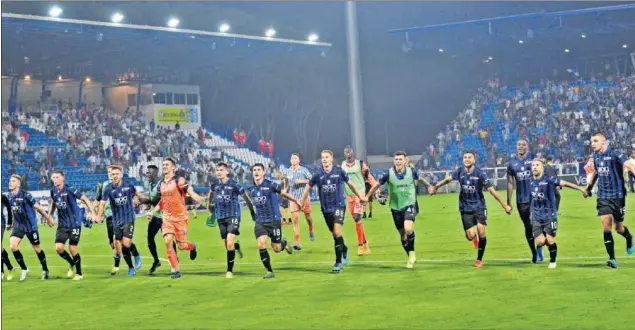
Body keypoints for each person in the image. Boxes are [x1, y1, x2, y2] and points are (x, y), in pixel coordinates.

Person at [432, 151, 512, 267]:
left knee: (481, 231)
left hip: (479, 207)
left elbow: (492, 191)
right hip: (465, 208)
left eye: (469, 157)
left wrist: (505, 206)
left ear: (474, 160)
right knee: (470, 235)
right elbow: (448, 180)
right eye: (465, 157)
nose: (467, 159)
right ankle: (473, 239)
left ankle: (479, 259)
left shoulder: (480, 174)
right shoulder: (459, 171)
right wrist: (435, 187)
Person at [300, 150, 367, 272]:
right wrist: (302, 202)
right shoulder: (317, 174)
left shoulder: (339, 171)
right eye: (322, 157)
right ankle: (344, 249)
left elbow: (351, 185)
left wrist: (361, 197)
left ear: (331, 158)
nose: (324, 159)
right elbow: (307, 188)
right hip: (325, 209)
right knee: (335, 234)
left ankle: (338, 262)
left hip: (339, 206)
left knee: (337, 231)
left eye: (326, 157)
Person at [367, 151, 435, 269]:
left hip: (409, 204)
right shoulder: (388, 173)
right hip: (395, 207)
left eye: (400, 159)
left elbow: (420, 179)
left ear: (405, 161)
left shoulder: (411, 171)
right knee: (403, 235)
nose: (398, 161)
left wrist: (429, 186)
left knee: (408, 228)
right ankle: (410, 256)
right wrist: (367, 197)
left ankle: (412, 253)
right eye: (396, 159)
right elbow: (377, 185)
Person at [146, 158, 206, 279]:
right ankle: (175, 270)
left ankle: (192, 246)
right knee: (168, 240)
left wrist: (195, 196)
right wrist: (152, 212)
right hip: (167, 218)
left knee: (181, 246)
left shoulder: (179, 180)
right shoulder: (162, 184)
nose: (165, 166)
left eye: (167, 164)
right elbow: (163, 201)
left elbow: (188, 189)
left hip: (180, 218)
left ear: (173, 167)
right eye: (163, 165)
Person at [585, 132, 635, 268]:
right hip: (603, 196)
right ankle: (612, 259)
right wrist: (589, 188)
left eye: (595, 141)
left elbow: (629, 165)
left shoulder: (615, 153)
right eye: (591, 141)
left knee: (618, 228)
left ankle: (629, 237)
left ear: (603, 142)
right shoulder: (595, 157)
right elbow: (596, 173)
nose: (592, 144)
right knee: (606, 225)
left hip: (618, 196)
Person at [529, 159, 588, 269]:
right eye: (533, 165)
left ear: (542, 168)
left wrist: (580, 188)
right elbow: (532, 199)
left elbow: (564, 183)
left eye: (537, 165)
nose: (534, 167)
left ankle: (552, 261)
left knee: (550, 240)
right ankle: (551, 247)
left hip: (550, 216)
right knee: (540, 242)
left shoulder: (549, 180)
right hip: (537, 217)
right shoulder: (530, 182)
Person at [98, 165, 149, 276]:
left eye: (116, 174)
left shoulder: (129, 186)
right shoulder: (108, 189)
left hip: (128, 218)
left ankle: (136, 254)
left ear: (121, 175)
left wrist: (143, 201)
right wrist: (98, 216)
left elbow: (138, 195)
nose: (114, 176)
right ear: (110, 176)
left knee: (126, 243)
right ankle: (131, 268)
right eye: (112, 174)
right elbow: (102, 203)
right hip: (116, 220)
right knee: (120, 244)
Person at [248, 163, 297, 279]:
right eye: (254, 170)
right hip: (260, 222)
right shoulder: (251, 189)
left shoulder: (271, 185)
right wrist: (252, 214)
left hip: (274, 221)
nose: (256, 172)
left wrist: (295, 200)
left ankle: (283, 243)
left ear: (263, 172)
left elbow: (283, 191)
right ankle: (269, 271)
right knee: (261, 244)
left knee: (276, 248)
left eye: (259, 169)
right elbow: (251, 203)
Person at [47, 170, 98, 280]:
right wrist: (49, 216)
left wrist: (93, 213)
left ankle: (79, 273)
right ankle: (71, 263)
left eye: (57, 177)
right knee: (59, 248)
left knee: (72, 247)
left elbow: (84, 199)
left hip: (74, 223)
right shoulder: (53, 191)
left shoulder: (70, 189)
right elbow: (53, 202)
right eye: (53, 178)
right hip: (62, 224)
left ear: (63, 178)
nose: (55, 180)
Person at [6, 175, 54, 281]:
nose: (10, 183)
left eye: (13, 181)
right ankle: (24, 269)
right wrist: (10, 223)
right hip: (19, 226)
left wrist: (49, 218)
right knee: (13, 246)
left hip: (30, 226)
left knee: (36, 248)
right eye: (10, 181)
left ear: (18, 184)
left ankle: (45, 270)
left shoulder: (26, 195)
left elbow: (39, 208)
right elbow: (10, 211)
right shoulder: (9, 196)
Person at [207, 162, 250, 278]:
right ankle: (236, 247)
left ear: (227, 172)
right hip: (220, 216)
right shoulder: (214, 185)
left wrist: (251, 210)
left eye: (221, 170)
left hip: (233, 215)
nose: (219, 172)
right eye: (217, 170)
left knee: (229, 241)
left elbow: (245, 196)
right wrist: (208, 205)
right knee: (227, 245)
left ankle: (229, 271)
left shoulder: (234, 184)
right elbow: (210, 194)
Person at [506, 139, 541, 263]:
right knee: (528, 226)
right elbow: (510, 183)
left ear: (528, 147)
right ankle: (534, 252)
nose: (521, 146)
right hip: (521, 201)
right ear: (516, 147)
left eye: (524, 144)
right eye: (519, 144)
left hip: (535, 198)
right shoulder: (511, 164)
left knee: (534, 221)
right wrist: (508, 202)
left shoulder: (534, 161)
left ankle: (540, 246)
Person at [341, 146, 377, 256]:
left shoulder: (360, 163)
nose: (348, 154)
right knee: (357, 222)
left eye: (349, 152)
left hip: (360, 195)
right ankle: (366, 244)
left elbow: (369, 177)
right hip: (349, 196)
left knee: (357, 218)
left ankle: (360, 245)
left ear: (353, 153)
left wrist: (376, 188)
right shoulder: (342, 165)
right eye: (346, 152)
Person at [144, 165, 178, 275]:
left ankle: (175, 261)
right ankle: (156, 261)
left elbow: (160, 200)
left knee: (168, 240)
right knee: (150, 240)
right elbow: (151, 200)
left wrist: (145, 201)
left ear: (156, 174)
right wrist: (146, 206)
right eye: (147, 172)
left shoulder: (161, 184)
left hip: (165, 217)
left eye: (150, 172)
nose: (148, 174)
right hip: (156, 217)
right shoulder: (150, 184)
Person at [284, 153, 315, 250]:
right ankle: (297, 242)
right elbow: (286, 181)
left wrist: (302, 181)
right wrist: (285, 190)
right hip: (293, 199)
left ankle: (311, 229)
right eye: (292, 158)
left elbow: (312, 179)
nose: (293, 160)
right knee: (295, 220)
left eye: (295, 158)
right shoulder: (288, 171)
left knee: (308, 217)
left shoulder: (304, 170)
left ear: (298, 160)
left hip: (304, 198)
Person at [2, 193, 14, 280]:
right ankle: (7, 269)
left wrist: (9, 223)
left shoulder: (2, 196)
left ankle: (8, 268)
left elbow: (9, 208)